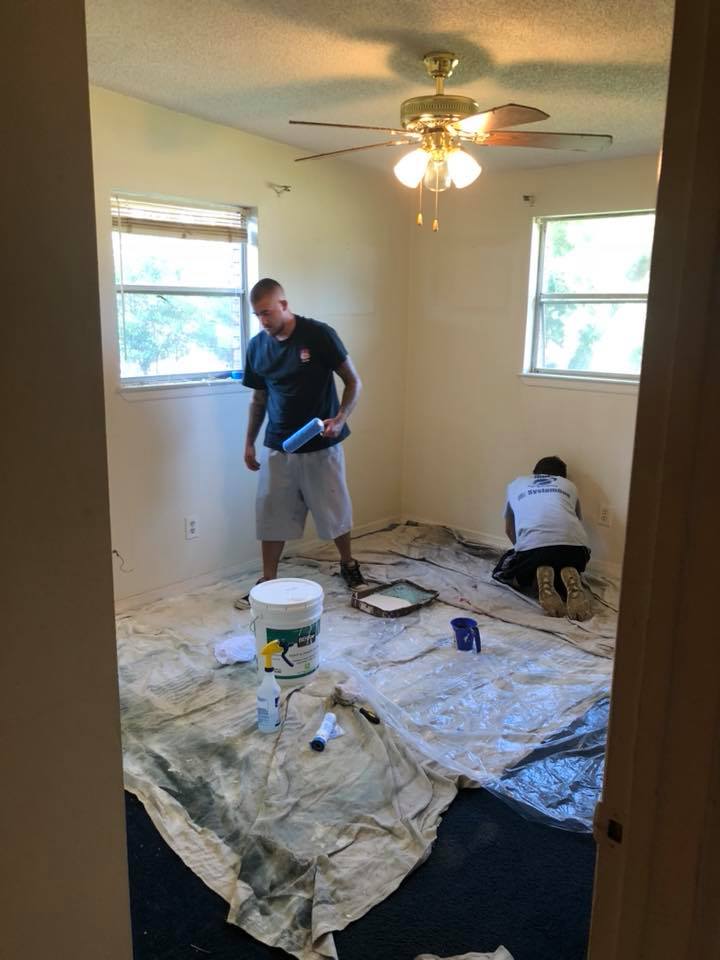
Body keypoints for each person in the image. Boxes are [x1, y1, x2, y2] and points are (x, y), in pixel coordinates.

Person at [239, 277, 366, 594]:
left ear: (283, 304)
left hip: (322, 444)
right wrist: (249, 442)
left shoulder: (319, 334)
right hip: (278, 446)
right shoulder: (257, 347)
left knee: (335, 512)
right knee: (271, 516)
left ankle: (348, 563)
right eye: (257, 315)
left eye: (267, 312)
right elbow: (259, 399)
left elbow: (353, 381)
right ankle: (269, 580)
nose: (263, 321)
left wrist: (340, 419)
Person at [492, 456, 593, 621]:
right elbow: (577, 524)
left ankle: (539, 576)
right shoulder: (569, 486)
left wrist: (524, 551)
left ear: (534, 473)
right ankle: (569, 574)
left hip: (534, 550)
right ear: (562, 476)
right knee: (562, 565)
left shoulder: (516, 484)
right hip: (575, 550)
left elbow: (509, 530)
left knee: (503, 573)